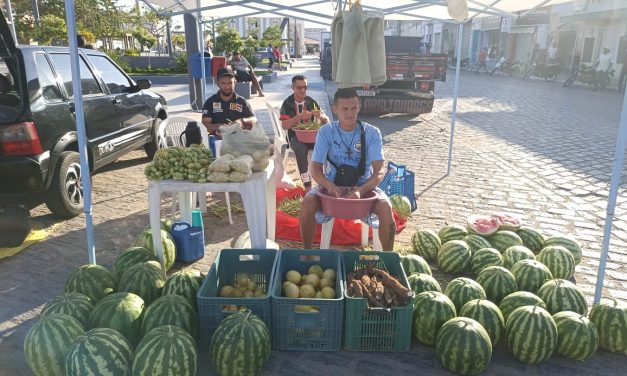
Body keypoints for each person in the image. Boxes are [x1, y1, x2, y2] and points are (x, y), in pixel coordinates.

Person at [299, 88, 396, 250]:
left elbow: (379, 171)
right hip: (332, 185)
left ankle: (387, 260)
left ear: (359, 107)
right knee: (308, 202)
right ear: (334, 109)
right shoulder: (326, 132)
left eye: (353, 108)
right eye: (345, 109)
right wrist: (330, 186)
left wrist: (360, 190)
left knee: (386, 208)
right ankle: (307, 253)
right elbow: (315, 168)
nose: (350, 113)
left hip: (364, 187)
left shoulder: (372, 133)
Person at [279, 74, 330, 190]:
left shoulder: (311, 102)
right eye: (299, 87)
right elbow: (284, 125)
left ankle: (324, 180)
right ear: (293, 87)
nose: (303, 90)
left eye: (305, 87)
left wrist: (321, 116)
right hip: (295, 137)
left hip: (312, 136)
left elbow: (326, 122)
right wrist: (298, 117)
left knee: (326, 145)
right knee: (300, 149)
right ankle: (307, 184)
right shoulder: (287, 103)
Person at [201, 67, 257, 140]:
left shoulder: (241, 101)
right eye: (223, 83)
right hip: (217, 138)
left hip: (239, 138)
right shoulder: (210, 102)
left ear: (235, 83)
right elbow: (205, 124)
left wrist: (241, 122)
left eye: (230, 83)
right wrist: (221, 127)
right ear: (218, 84)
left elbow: (253, 119)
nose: (227, 86)